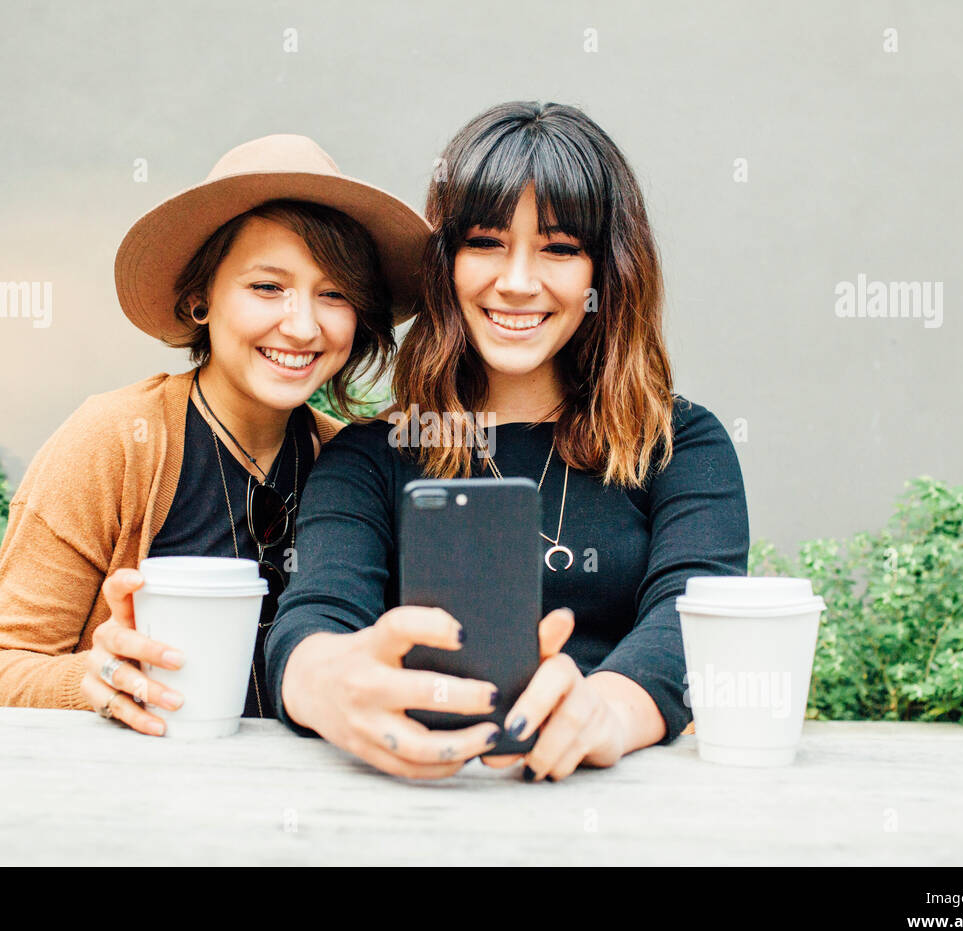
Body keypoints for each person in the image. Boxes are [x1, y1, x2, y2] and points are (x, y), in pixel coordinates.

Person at [265, 102, 751, 780]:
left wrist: (606, 710)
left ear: (604, 277)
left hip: (624, 804)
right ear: (445, 264)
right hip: (418, 797)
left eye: (559, 249)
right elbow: (315, 616)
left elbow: (692, 617)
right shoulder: (370, 455)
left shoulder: (681, 445)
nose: (518, 283)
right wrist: (325, 686)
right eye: (486, 242)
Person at [0, 134, 430, 734]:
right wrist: (94, 679)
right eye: (267, 287)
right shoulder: (115, 441)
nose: (303, 325)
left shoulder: (351, 463)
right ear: (202, 299)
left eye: (334, 294)